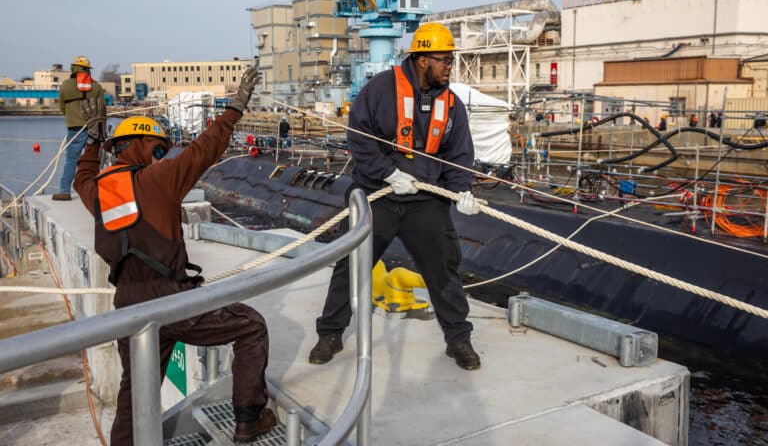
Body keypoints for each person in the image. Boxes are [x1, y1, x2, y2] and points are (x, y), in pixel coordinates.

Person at [73, 68, 276, 445]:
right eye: (157, 149)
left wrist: (93, 140)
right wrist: (234, 109)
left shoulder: (98, 191)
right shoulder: (160, 178)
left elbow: (81, 177)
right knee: (251, 326)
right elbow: (204, 149)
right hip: (172, 300)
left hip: (129, 308)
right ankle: (249, 419)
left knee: (134, 397)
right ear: (137, 144)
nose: (160, 157)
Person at [309, 22, 483, 371]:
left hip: (424, 200)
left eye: (451, 60)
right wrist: (387, 173)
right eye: (444, 59)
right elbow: (359, 139)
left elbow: (459, 155)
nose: (450, 66)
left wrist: (461, 189)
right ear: (422, 59)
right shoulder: (380, 90)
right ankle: (330, 333)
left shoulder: (451, 105)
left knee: (444, 269)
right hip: (379, 195)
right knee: (351, 265)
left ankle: (458, 339)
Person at [52, 55, 105, 201]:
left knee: (71, 160)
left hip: (74, 128)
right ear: (88, 69)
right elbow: (102, 109)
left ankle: (64, 191)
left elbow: (62, 107)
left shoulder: (65, 86)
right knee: (93, 159)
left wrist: (72, 117)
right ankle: (95, 190)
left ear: (73, 68)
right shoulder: (96, 87)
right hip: (94, 128)